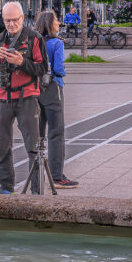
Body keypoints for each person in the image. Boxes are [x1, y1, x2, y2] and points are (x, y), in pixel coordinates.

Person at [0, 1, 45, 194]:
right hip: (2, 97)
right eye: (7, 20)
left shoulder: (34, 39)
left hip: (27, 97)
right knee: (2, 146)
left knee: (33, 148)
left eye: (15, 20)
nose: (11, 24)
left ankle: (37, 191)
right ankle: (6, 187)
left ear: (23, 18)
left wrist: (22, 62)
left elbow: (42, 69)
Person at [34, 10, 78, 189]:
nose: (59, 23)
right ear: (49, 24)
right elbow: (59, 69)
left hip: (36, 89)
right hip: (53, 88)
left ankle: (36, 174)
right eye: (56, 21)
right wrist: (63, 71)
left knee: (38, 132)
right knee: (56, 132)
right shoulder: (56, 44)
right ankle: (57, 176)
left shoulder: (35, 42)